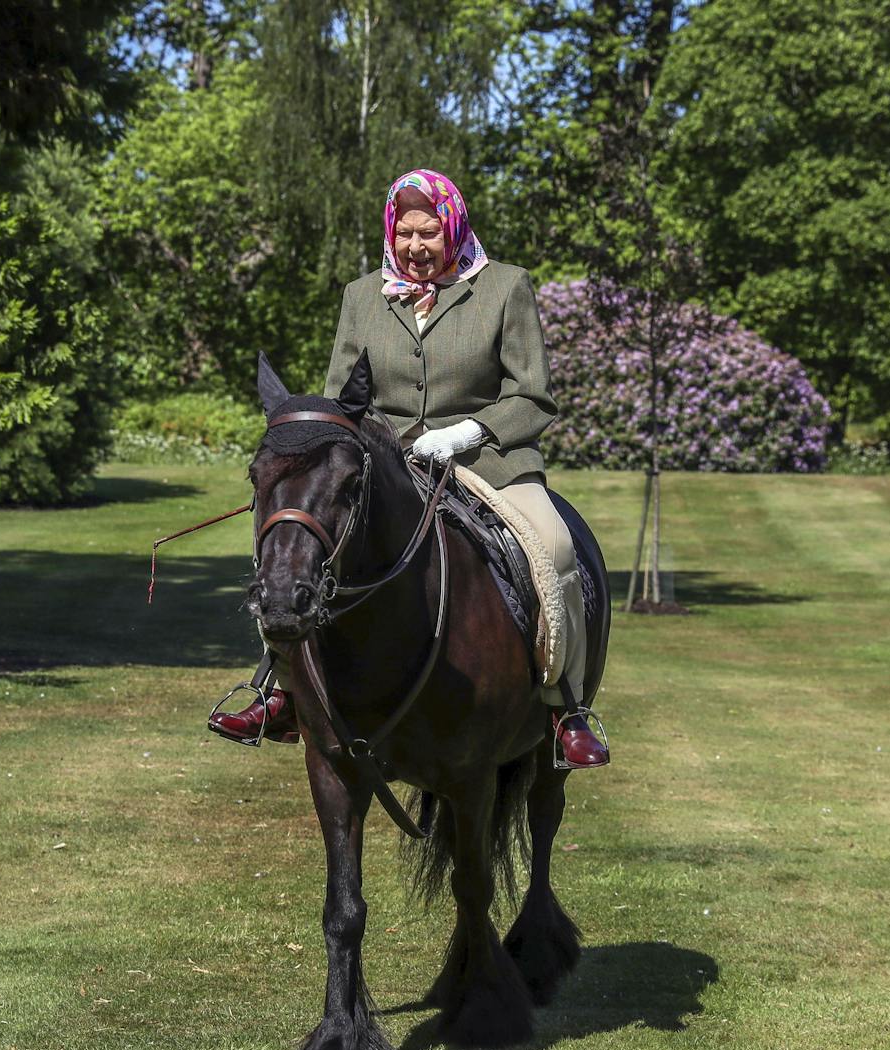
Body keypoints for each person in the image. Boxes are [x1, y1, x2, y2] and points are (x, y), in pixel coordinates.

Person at [210, 168, 608, 769]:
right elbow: (342, 398)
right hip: (385, 462)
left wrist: (467, 433)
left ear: (453, 227)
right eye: (406, 234)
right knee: (301, 547)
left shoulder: (504, 288)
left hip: (489, 460)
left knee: (553, 546)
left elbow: (533, 396)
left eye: (430, 233)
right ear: (390, 233)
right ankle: (282, 691)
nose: (417, 247)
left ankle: (564, 708)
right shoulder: (361, 296)